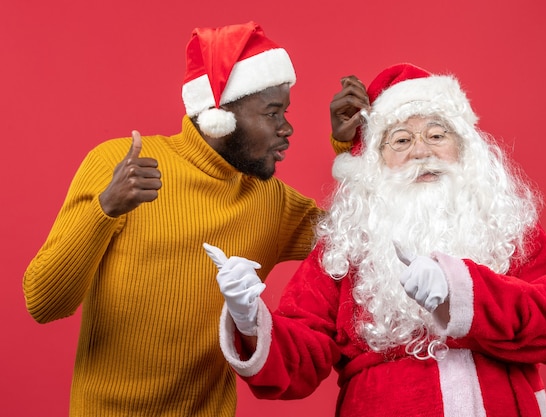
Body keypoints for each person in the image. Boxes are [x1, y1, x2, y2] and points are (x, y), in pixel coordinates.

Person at [23, 21, 353, 417]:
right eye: (272, 112)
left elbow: (358, 237)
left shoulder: (270, 200)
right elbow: (43, 302)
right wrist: (104, 210)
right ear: (220, 116)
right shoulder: (119, 166)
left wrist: (351, 147)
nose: (288, 128)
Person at [207, 63, 546, 417]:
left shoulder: (508, 230)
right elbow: (301, 360)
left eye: (436, 134)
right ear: (377, 161)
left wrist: (462, 291)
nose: (421, 151)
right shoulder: (346, 246)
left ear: (463, 147)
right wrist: (250, 319)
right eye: (401, 140)